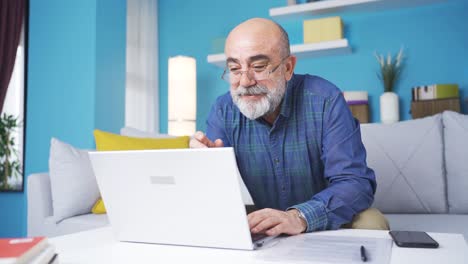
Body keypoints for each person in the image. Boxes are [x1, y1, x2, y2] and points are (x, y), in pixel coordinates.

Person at [190, 18, 389, 237]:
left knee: (371, 221)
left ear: (287, 67)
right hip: (262, 219)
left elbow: (356, 183)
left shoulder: (326, 100)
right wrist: (204, 165)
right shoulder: (223, 110)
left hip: (324, 218)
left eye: (258, 67)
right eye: (235, 69)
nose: (245, 81)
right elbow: (214, 196)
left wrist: (299, 217)